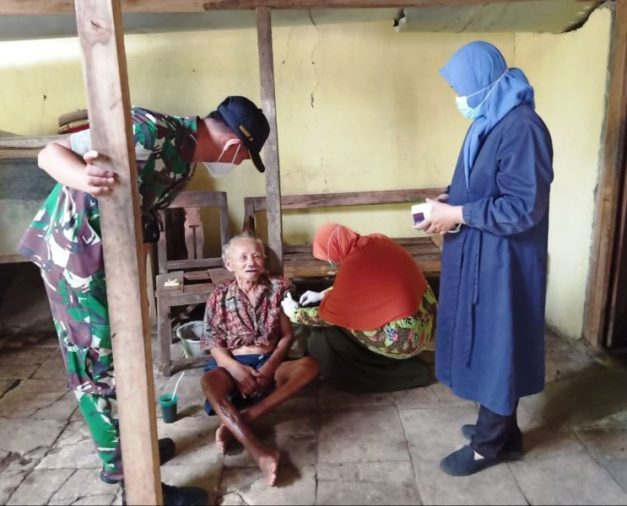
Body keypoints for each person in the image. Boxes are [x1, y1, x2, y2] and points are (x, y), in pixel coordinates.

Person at [18, 96, 271, 503]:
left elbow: (141, 214)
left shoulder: (184, 161)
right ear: (234, 148)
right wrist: (84, 179)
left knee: (125, 357)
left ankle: (133, 452)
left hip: (108, 265)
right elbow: (49, 154)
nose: (238, 164)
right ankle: (132, 481)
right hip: (75, 260)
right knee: (96, 367)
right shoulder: (150, 131)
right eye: (245, 157)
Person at [415, 41, 554, 476]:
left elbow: (523, 206)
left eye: (460, 86)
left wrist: (456, 213)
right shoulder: (488, 121)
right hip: (480, 253)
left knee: (499, 345)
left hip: (505, 263)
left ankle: (488, 445)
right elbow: (482, 186)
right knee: (489, 341)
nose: (457, 96)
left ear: (482, 81)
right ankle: (504, 435)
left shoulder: (523, 128)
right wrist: (448, 201)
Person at [200, 233, 319, 487]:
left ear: (264, 260)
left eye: (256, 255)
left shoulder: (279, 288)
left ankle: (242, 420)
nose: (250, 262)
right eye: (242, 257)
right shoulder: (218, 296)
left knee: (309, 366)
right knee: (210, 381)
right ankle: (259, 452)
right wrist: (236, 369)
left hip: (270, 360)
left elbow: (287, 336)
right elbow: (212, 343)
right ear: (229, 265)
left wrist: (270, 365)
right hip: (233, 364)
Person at [280, 223, 437, 393]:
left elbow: (325, 316)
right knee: (342, 312)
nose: (331, 262)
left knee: (335, 324)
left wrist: (294, 313)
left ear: (335, 250)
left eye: (328, 257)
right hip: (427, 318)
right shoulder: (378, 241)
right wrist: (322, 295)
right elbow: (363, 284)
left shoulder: (353, 265)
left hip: (406, 339)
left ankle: (373, 372)